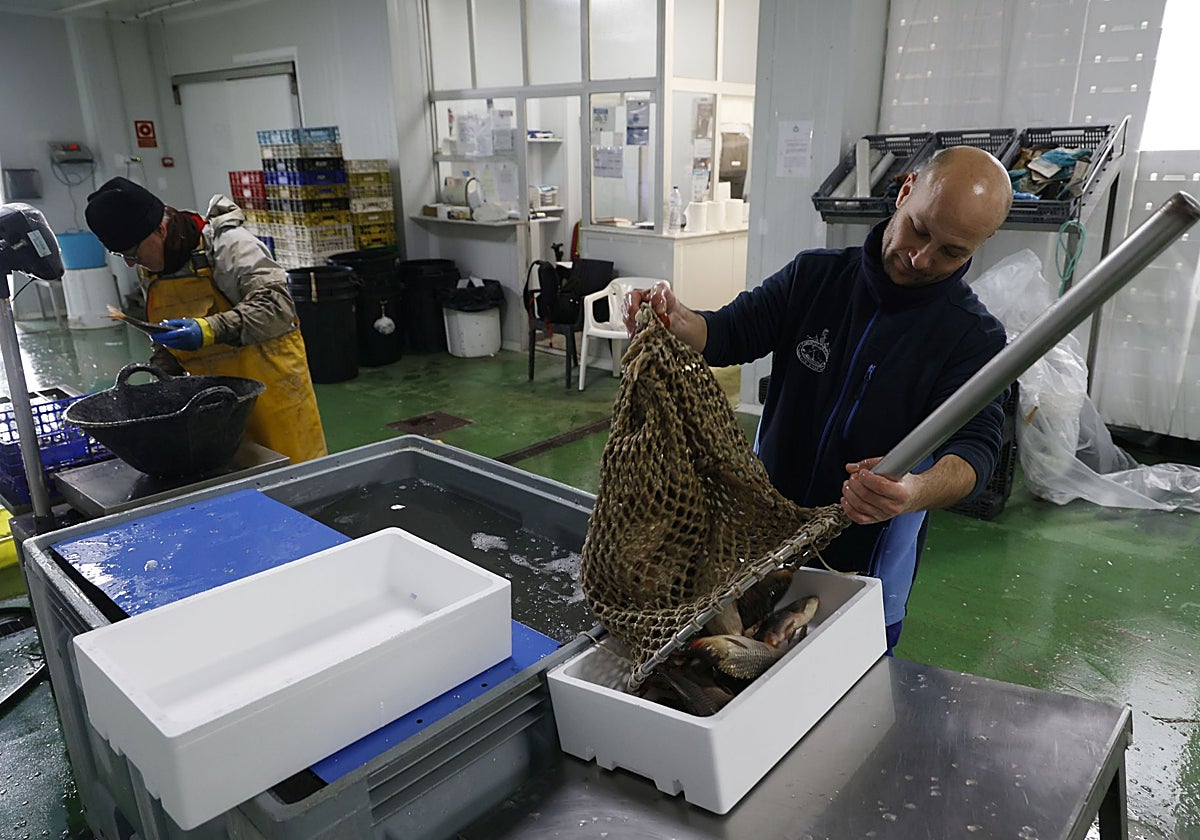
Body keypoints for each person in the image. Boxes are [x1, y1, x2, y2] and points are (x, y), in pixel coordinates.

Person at [627, 146, 1014, 652]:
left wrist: (914, 491)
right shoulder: (815, 277)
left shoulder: (974, 338)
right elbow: (726, 332)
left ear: (978, 247)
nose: (922, 258)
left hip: (865, 566)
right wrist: (677, 320)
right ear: (904, 190)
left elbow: (976, 451)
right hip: (760, 547)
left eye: (951, 252)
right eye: (919, 229)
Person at [85, 177, 327, 465]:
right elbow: (166, 336)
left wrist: (210, 330)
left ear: (160, 229)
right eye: (121, 255)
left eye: (133, 253)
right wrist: (161, 380)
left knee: (295, 481)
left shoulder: (229, 246)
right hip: (220, 410)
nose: (130, 263)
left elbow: (277, 307)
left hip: (276, 400)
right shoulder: (151, 270)